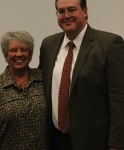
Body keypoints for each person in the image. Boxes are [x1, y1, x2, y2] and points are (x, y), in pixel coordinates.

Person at [38, 0, 124, 150]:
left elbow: (119, 99)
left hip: (95, 141)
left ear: (85, 11)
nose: (66, 15)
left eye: (72, 10)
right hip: (55, 139)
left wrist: (117, 144)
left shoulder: (110, 44)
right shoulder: (48, 44)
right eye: (61, 11)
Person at [0, 31, 48, 150]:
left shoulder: (44, 79)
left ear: (30, 53)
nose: (19, 54)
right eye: (13, 50)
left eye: (24, 50)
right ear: (6, 54)